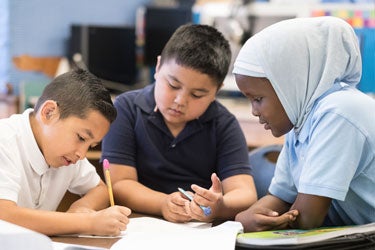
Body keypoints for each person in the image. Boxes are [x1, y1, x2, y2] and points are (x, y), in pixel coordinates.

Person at [101, 23, 257, 223]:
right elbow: (120, 182)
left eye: (197, 94)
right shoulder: (127, 109)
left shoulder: (223, 124)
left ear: (216, 91)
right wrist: (163, 203)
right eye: (173, 85)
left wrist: (219, 205)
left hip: (198, 228)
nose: (180, 101)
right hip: (139, 223)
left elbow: (244, 192)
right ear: (158, 67)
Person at [233, 16, 375, 232]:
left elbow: (308, 218)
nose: (254, 111)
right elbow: (279, 199)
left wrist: (257, 222)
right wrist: (242, 220)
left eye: (258, 99)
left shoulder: (339, 112)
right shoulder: (301, 120)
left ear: (289, 85)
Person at [0, 69, 131, 236]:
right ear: (49, 112)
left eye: (91, 146)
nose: (82, 155)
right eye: (82, 138)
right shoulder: (4, 140)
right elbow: (5, 216)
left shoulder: (67, 153)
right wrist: (87, 222)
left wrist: (81, 208)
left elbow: (100, 189)